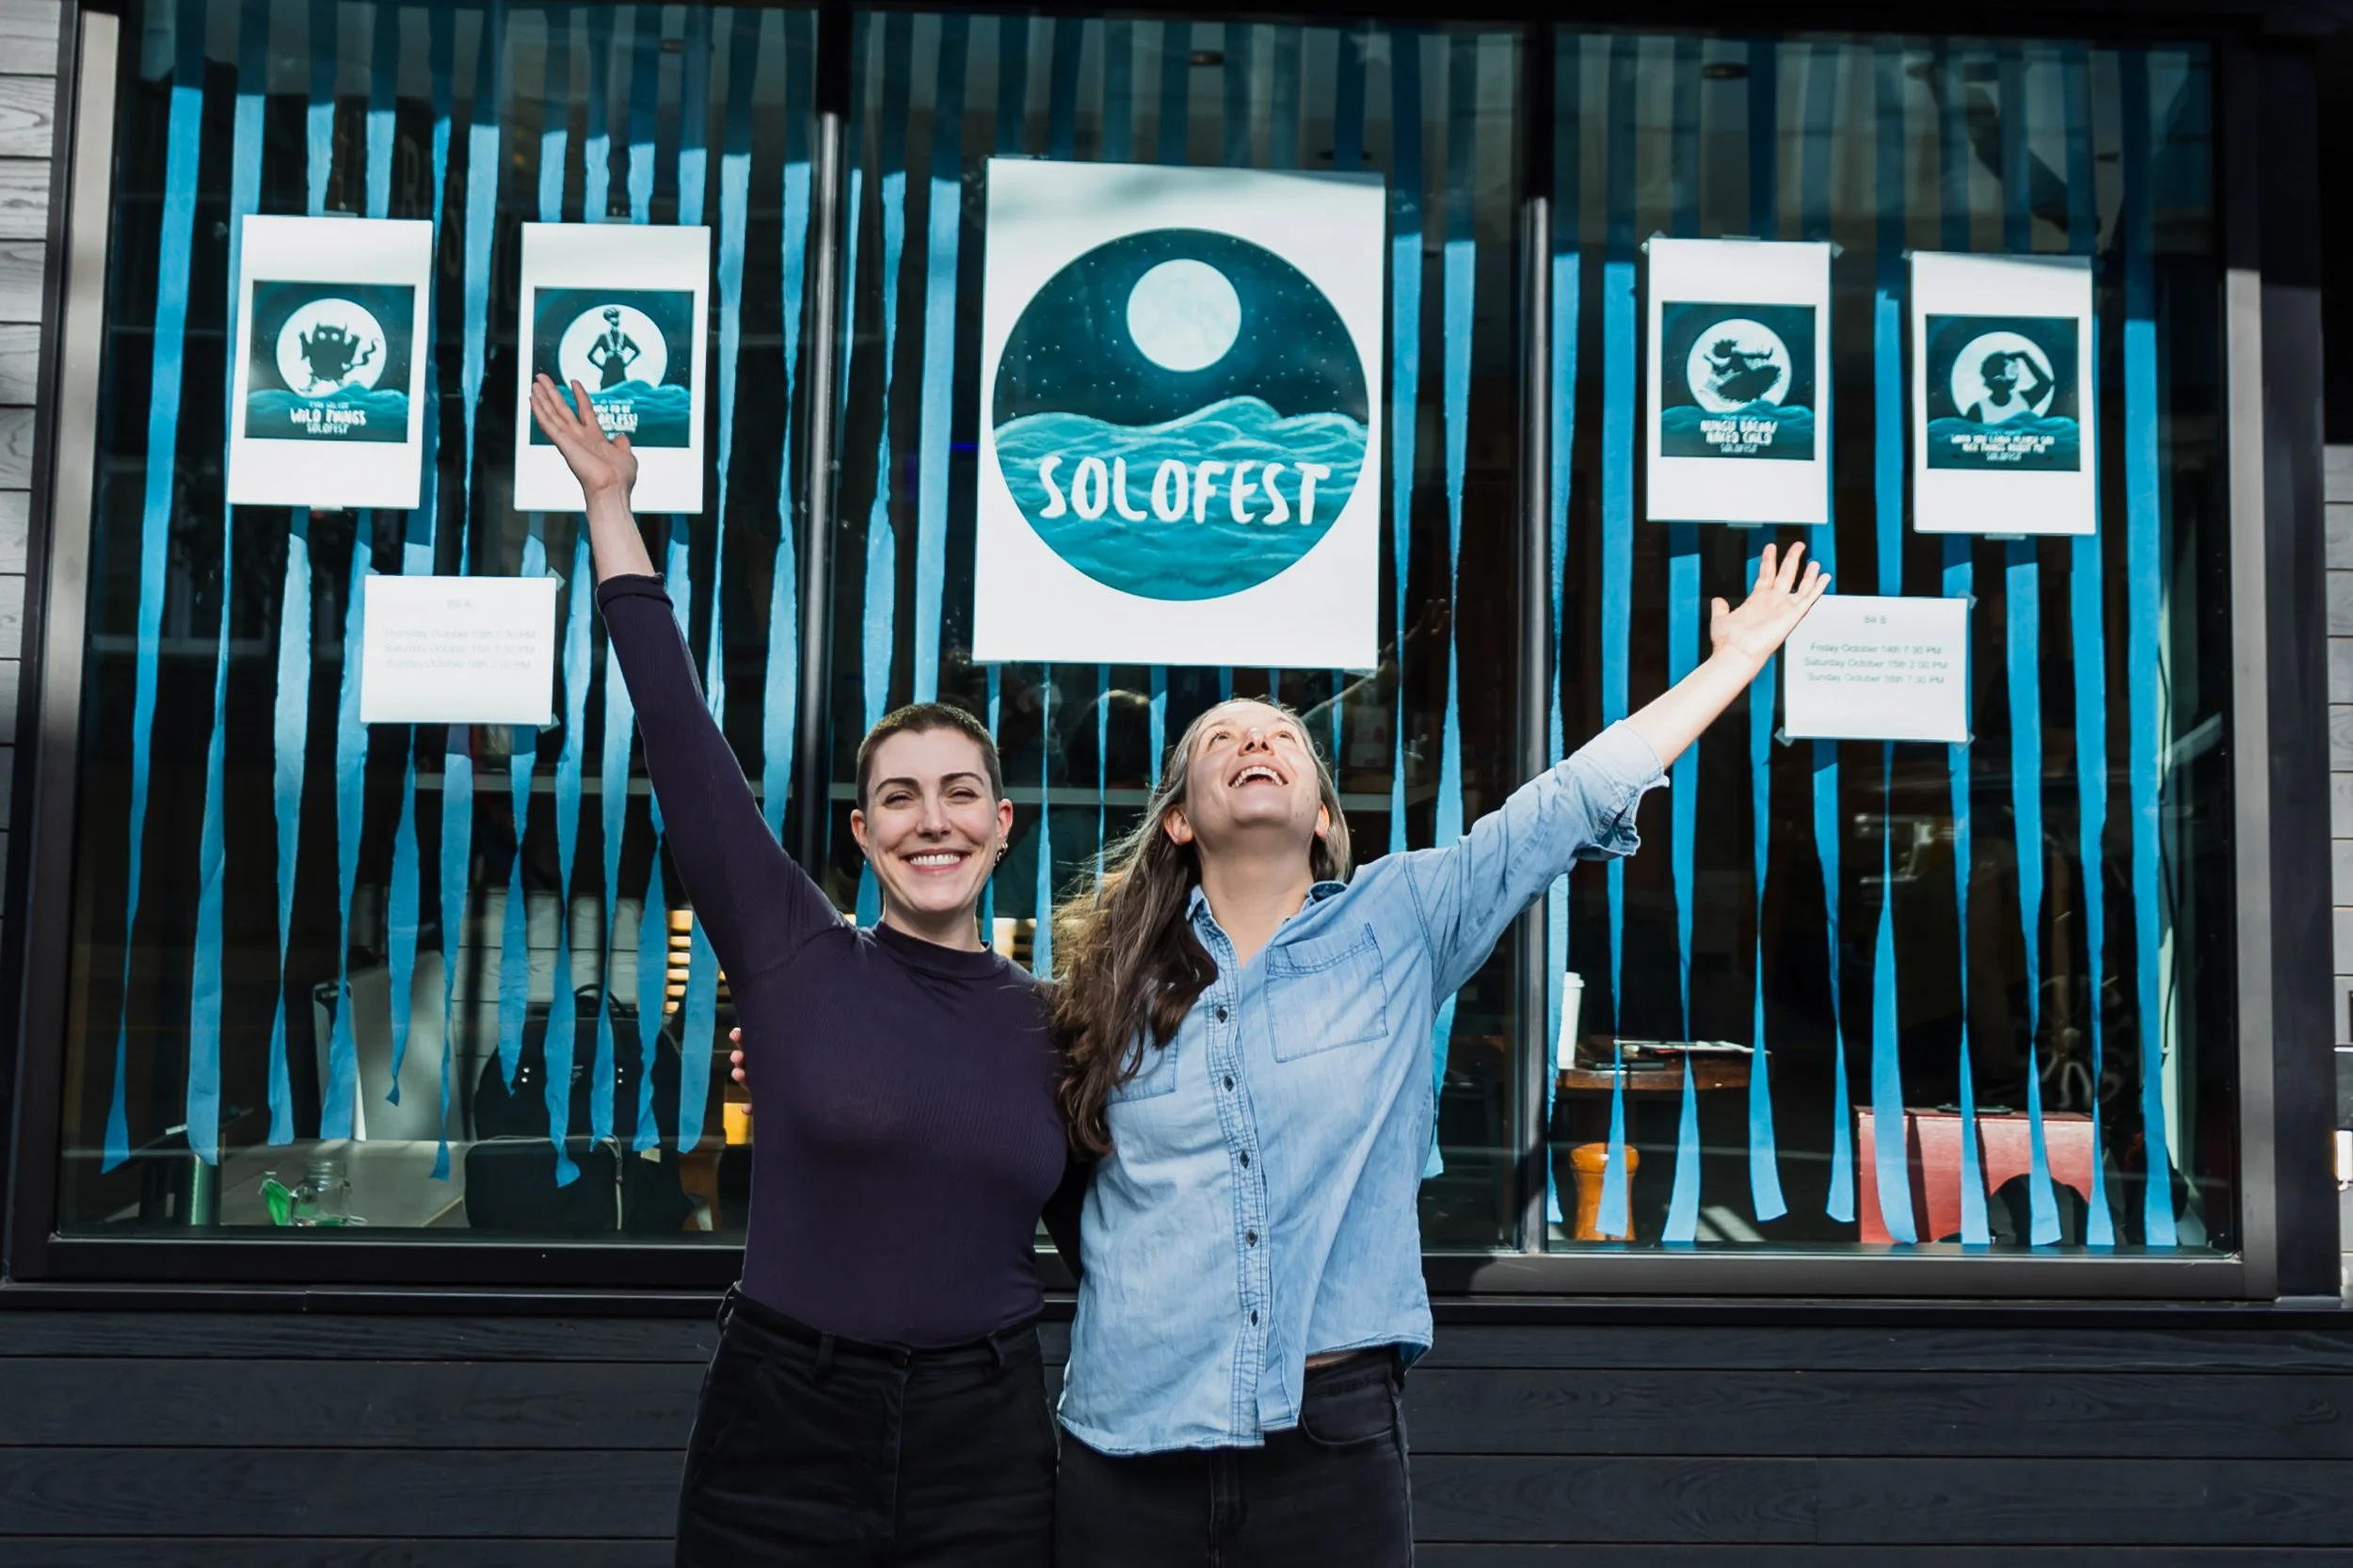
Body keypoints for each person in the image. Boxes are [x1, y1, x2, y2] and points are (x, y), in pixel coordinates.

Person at [1046, 543, 1830, 1567]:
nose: (1255, 741)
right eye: (1222, 738)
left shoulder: (1403, 916)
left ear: (1324, 816)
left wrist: (1732, 664)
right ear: (1182, 819)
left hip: (1326, 1436)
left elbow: (1567, 803)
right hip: (1129, 1435)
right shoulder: (1109, 979)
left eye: (1281, 736)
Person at [529, 374, 1081, 1568]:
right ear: (864, 835)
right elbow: (680, 736)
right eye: (900, 799)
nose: (931, 821)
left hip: (985, 1437)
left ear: (1001, 826)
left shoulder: (1060, 1024)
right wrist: (611, 504)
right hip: (785, 1419)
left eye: (959, 795)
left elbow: (1129, 1242)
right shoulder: (794, 954)